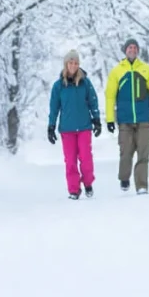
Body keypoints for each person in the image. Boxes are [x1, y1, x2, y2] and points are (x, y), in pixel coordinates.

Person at [105, 38, 149, 194]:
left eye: (135, 47)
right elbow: (110, 96)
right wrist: (110, 119)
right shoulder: (117, 71)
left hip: (143, 118)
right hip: (125, 120)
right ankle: (124, 177)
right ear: (125, 51)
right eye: (129, 47)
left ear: (138, 51)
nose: (132, 50)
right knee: (126, 152)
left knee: (143, 153)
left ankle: (142, 185)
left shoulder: (146, 70)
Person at [48, 49, 102, 200]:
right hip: (67, 129)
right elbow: (54, 108)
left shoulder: (85, 82)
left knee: (86, 158)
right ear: (66, 64)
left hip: (84, 127)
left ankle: (88, 183)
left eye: (76, 63)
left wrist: (96, 120)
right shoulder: (58, 86)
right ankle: (74, 189)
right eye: (71, 63)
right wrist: (51, 126)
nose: (73, 65)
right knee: (70, 161)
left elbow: (93, 101)